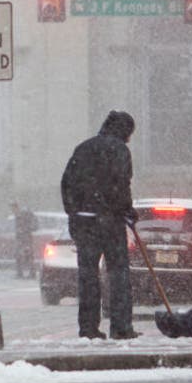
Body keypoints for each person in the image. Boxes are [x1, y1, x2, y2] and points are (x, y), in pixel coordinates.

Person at [60, 110, 138, 340]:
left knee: (88, 276)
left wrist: (74, 213)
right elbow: (121, 185)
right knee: (118, 274)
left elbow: (67, 184)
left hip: (84, 222)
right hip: (110, 222)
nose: (129, 138)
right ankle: (121, 326)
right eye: (129, 133)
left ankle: (88, 328)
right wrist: (127, 210)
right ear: (124, 130)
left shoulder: (83, 149)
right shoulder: (119, 150)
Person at [12, 203, 35, 279]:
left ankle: (29, 273)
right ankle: (22, 273)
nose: (13, 210)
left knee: (26, 256)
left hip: (25, 239)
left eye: (13, 208)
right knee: (21, 256)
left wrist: (23, 231)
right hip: (23, 239)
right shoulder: (18, 216)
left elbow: (26, 227)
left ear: (17, 207)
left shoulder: (22, 216)